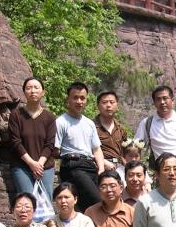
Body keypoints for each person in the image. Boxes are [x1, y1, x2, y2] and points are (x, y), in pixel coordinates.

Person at [55, 82, 105, 211]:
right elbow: (55, 150)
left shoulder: (89, 123)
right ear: (68, 99)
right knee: (98, 201)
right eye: (75, 97)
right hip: (73, 166)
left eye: (82, 98)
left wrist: (101, 169)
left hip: (90, 166)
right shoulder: (61, 122)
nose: (79, 101)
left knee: (87, 206)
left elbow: (96, 149)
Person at [8, 77, 57, 197]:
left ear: (43, 92)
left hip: (44, 166)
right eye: (29, 88)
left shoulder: (49, 117)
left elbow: (50, 143)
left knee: (46, 201)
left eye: (36, 87)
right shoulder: (16, 115)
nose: (33, 91)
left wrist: (39, 164)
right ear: (24, 92)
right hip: (22, 166)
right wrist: (31, 163)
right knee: (27, 200)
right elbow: (15, 142)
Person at [93, 91, 128, 179]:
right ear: (98, 105)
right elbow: (85, 150)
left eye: (112, 102)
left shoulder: (121, 128)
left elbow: (125, 153)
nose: (108, 105)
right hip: (97, 168)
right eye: (104, 102)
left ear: (117, 105)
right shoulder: (91, 126)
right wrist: (103, 162)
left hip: (119, 169)